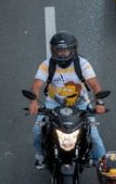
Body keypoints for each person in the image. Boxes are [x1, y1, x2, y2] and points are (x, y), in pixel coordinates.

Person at [27, 31, 107, 169]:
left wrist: (99, 102)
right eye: (59, 50)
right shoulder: (47, 65)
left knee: (93, 135)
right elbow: (37, 84)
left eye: (66, 50)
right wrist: (33, 101)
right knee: (36, 131)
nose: (62, 54)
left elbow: (94, 84)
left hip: (81, 104)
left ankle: (103, 165)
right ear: (53, 51)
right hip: (53, 103)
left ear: (73, 49)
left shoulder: (82, 64)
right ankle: (41, 156)